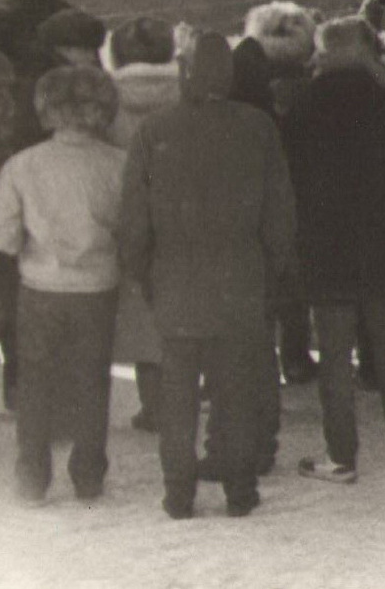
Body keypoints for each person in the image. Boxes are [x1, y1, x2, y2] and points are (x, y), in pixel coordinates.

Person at [118, 31, 294, 519]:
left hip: (175, 282)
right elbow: (279, 213)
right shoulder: (258, 127)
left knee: (177, 395)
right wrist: (271, 273)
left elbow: (134, 218)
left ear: (185, 72)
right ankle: (240, 490)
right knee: (235, 390)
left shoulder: (155, 130)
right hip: (240, 280)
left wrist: (143, 275)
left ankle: (178, 493)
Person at [282, 19, 385, 482]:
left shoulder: (303, 104)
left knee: (335, 359)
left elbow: (292, 177)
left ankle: (341, 455)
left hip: (326, 246)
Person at [0, 65, 123, 504]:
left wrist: (25, 247)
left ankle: (32, 477)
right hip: (98, 287)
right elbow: (134, 229)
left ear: (46, 108)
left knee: (36, 381)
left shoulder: (22, 164)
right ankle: (88, 475)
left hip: (40, 286)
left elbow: (2, 235)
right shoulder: (118, 164)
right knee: (92, 379)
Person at [103, 19, 179, 431]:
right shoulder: (190, 91)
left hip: (131, 210)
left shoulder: (107, 96)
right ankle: (185, 397)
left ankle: (153, 406)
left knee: (142, 314)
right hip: (184, 210)